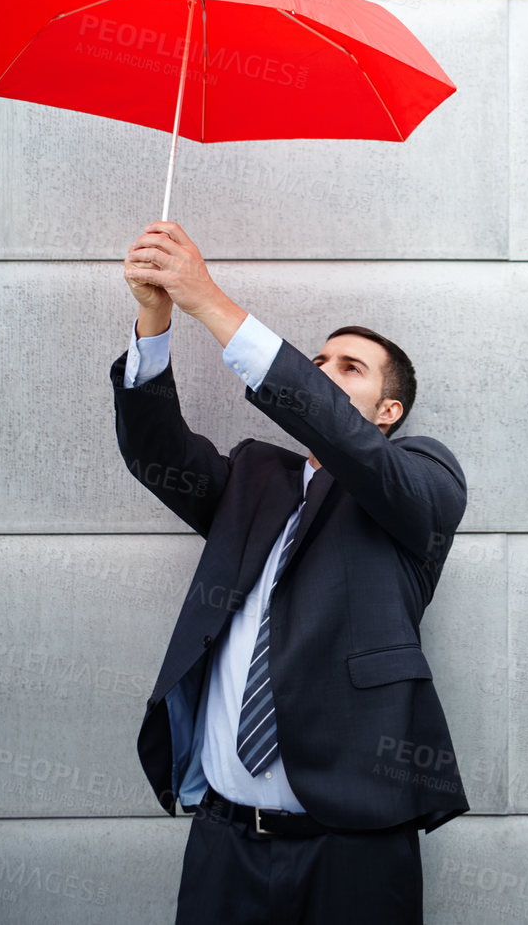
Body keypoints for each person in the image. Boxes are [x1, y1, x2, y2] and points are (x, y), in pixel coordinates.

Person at [113, 218, 470, 924]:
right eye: (318, 359)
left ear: (388, 411)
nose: (322, 372)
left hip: (353, 852)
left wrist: (209, 301)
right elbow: (156, 449)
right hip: (224, 843)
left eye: (349, 367)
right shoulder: (255, 477)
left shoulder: (423, 480)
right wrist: (156, 317)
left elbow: (342, 436)